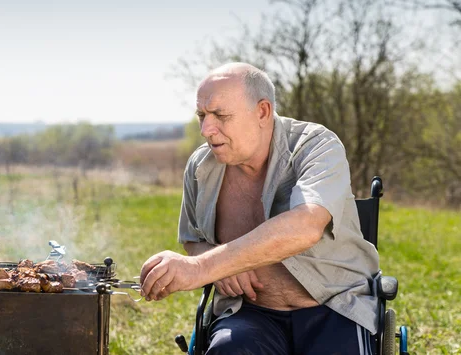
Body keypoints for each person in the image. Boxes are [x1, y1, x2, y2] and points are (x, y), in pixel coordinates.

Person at [140, 62, 380, 354]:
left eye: (220, 115)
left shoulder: (316, 146)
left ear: (262, 112)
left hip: (335, 306)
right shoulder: (200, 166)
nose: (206, 129)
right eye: (202, 115)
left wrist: (205, 266)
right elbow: (192, 238)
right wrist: (218, 264)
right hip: (250, 313)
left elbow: (306, 226)